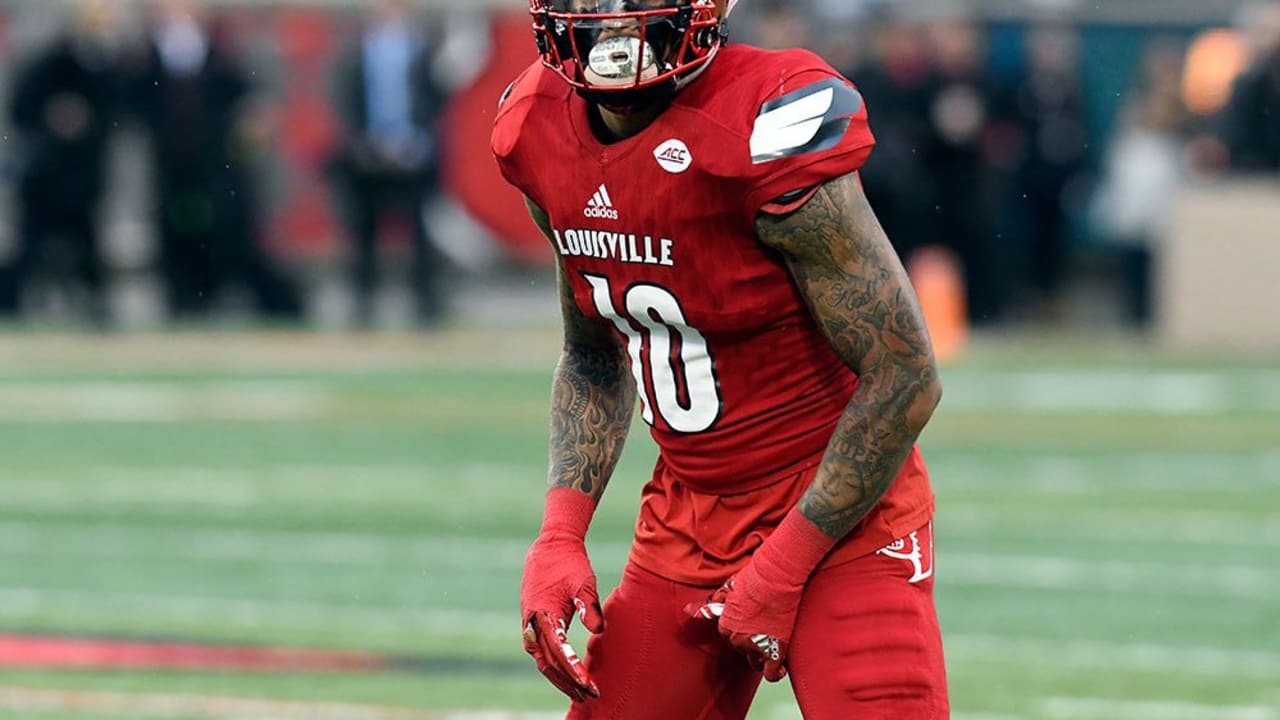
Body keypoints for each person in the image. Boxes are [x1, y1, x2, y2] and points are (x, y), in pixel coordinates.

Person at [492, 1, 946, 718]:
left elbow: (905, 374)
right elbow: (594, 352)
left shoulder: (763, 120)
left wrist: (787, 561)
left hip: (840, 517)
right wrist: (559, 534)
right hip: (687, 519)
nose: (613, 14)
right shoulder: (536, 126)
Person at [129, 0, 302, 320]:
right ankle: (183, 296)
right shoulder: (145, 57)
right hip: (170, 163)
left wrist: (252, 116)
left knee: (225, 228)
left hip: (216, 161)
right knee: (175, 225)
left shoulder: (222, 53)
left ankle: (224, 293)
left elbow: (248, 95)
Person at [1, 0, 124, 324]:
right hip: (46, 175)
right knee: (31, 244)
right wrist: (53, 117)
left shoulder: (111, 68)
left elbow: (119, 116)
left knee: (87, 245)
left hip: (84, 176)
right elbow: (22, 108)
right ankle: (12, 307)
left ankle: (95, 307)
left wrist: (89, 122)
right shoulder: (51, 62)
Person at [330, 0, 448, 327]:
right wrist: (363, 142)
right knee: (364, 230)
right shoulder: (358, 52)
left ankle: (426, 301)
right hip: (368, 154)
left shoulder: (422, 51)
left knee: (419, 229)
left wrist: (416, 137)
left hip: (413, 152)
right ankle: (363, 300)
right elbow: (347, 101)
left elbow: (434, 99)